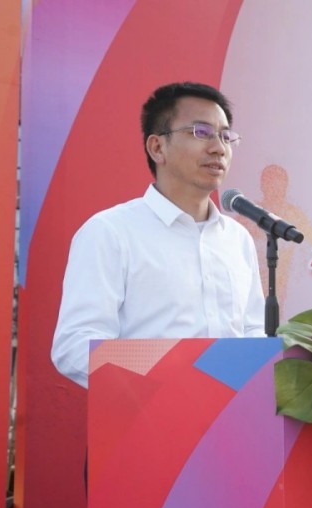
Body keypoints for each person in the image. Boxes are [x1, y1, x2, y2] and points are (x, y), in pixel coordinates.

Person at [51, 82, 266, 387]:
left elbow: (253, 331)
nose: (218, 148)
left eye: (225, 136)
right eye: (201, 132)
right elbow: (74, 344)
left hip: (235, 411)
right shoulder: (110, 232)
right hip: (147, 411)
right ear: (157, 148)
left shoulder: (237, 238)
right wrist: (167, 374)